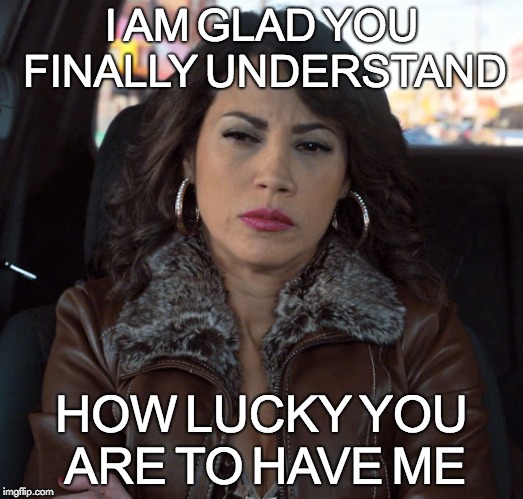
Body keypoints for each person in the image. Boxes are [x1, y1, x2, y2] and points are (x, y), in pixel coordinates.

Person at [24, 9, 495, 498]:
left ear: (346, 178)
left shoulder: (421, 338)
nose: (274, 175)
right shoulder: (95, 330)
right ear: (188, 157)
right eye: (242, 136)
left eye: (312, 146)